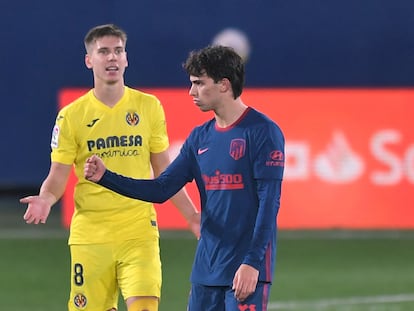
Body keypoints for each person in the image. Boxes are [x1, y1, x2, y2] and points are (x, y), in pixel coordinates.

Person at [84, 45, 285, 310]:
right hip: (206, 269)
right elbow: (161, 189)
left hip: (245, 270)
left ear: (224, 85)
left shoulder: (263, 132)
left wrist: (252, 262)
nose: (191, 92)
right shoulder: (199, 138)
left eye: (199, 84)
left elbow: (269, 204)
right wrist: (106, 177)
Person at [19, 24, 200, 311]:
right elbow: (58, 175)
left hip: (138, 231)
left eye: (118, 51)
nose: (112, 58)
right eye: (103, 51)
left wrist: (192, 216)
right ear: (89, 60)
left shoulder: (148, 107)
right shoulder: (71, 116)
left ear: (126, 58)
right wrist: (46, 198)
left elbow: (166, 173)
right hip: (91, 236)